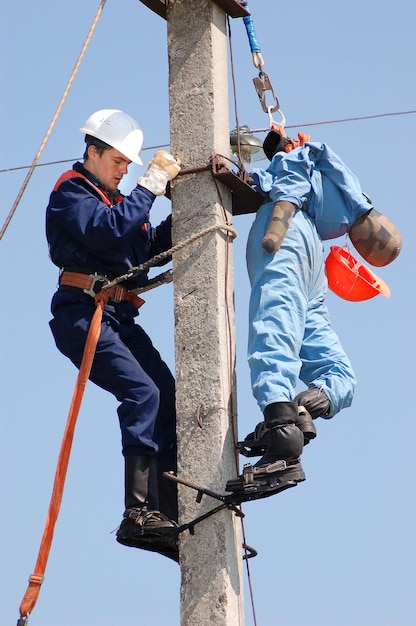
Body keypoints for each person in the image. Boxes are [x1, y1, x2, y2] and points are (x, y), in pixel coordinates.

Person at [226, 129, 401, 501]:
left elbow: (295, 165)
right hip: (311, 260)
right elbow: (300, 159)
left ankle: (283, 434)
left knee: (276, 322)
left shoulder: (321, 175)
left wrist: (272, 159)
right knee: (323, 350)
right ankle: (306, 406)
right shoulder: (343, 207)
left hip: (287, 232)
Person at [46, 109, 181, 561]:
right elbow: (106, 234)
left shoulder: (119, 202)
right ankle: (138, 512)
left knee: (165, 392)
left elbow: (144, 251)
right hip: (82, 312)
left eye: (129, 164)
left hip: (117, 314)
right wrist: (150, 187)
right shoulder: (72, 191)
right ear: (93, 151)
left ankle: (169, 511)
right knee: (142, 393)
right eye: (119, 161)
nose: (125, 170)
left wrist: (187, 204)